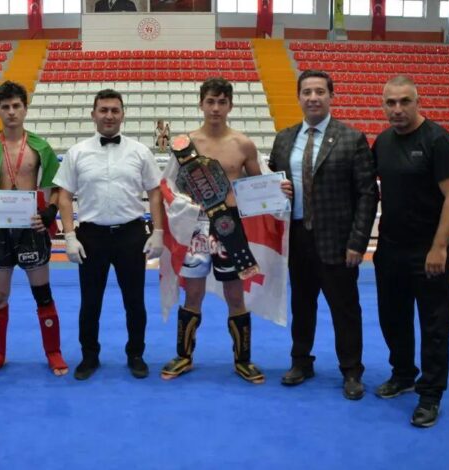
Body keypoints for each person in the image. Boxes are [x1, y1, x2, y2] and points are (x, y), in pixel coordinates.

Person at [159, 77, 292, 384]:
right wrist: (179, 210)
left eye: (222, 102)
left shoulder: (243, 144)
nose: (216, 108)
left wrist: (279, 190)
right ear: (201, 104)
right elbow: (168, 186)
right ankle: (184, 356)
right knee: (193, 292)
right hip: (196, 226)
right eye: (210, 101)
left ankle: (243, 360)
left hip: (229, 226)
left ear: (230, 105)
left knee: (235, 294)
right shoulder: (185, 144)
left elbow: (258, 186)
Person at [268, 70, 378, 400]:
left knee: (345, 309)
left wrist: (358, 242)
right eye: (307, 92)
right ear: (298, 97)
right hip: (296, 237)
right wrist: (278, 189)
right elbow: (272, 184)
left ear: (331, 96)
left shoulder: (351, 138)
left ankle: (352, 371)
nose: (313, 98)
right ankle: (301, 361)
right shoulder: (284, 139)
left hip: (338, 242)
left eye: (319, 91)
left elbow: (367, 194)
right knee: (301, 305)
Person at [372, 75, 449, 428]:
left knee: (434, 324)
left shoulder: (438, 140)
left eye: (404, 101)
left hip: (428, 250)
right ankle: (403, 374)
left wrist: (439, 246)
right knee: (392, 317)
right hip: (390, 248)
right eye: (390, 102)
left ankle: (430, 394)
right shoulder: (382, 142)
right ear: (383, 105)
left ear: (417, 102)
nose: (397, 109)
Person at [54, 89, 164, 381]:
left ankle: (136, 354)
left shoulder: (140, 151)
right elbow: (64, 196)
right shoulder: (77, 152)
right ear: (93, 114)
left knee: (135, 301)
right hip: (91, 236)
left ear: (123, 114)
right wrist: (69, 235)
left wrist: (159, 231)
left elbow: (155, 192)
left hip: (131, 234)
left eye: (115, 110)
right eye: (103, 110)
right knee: (90, 302)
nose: (109, 116)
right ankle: (89, 355)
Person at [0, 81, 68, 377]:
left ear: (25, 108)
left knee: (43, 294)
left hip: (32, 228)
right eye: (5, 107)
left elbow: (58, 188)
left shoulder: (40, 147)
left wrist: (50, 211)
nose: (11, 112)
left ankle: (54, 352)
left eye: (16, 106)